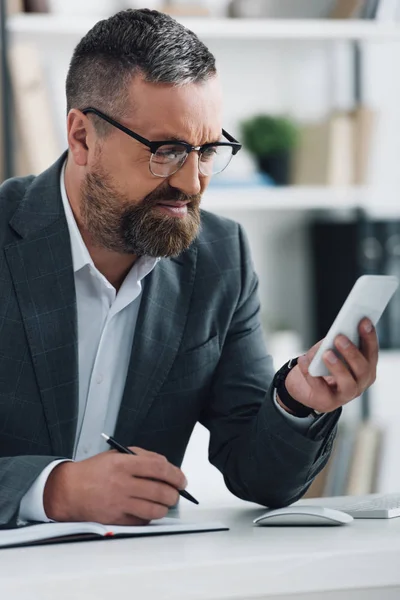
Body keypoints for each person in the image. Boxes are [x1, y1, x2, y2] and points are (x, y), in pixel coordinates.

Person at [0, 9, 377, 527]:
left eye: (206, 151)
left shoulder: (220, 255)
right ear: (83, 137)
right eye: (168, 150)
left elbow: (258, 475)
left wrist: (296, 401)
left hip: (156, 571)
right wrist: (52, 490)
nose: (193, 182)